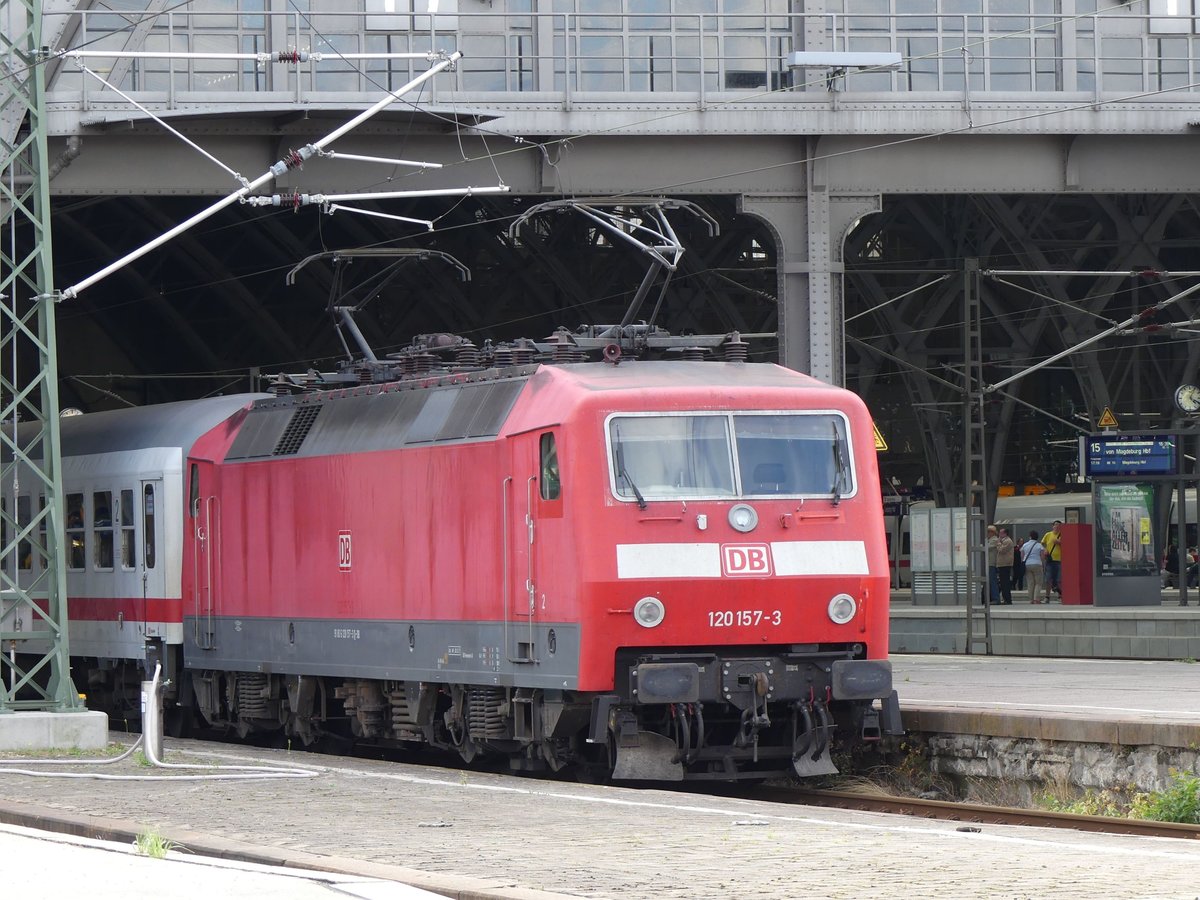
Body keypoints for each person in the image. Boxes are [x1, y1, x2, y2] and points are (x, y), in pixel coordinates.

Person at [1022, 529, 1048, 603]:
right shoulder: (1039, 545)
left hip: (1027, 564)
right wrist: (1043, 565)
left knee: (1030, 582)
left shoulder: (1025, 545)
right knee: (1038, 583)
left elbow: (1022, 556)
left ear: (1030, 537)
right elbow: (1042, 556)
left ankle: (1031, 599)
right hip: (1037, 564)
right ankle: (1036, 598)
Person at [1042, 520, 1063, 600]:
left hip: (1059, 559)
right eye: (1055, 525)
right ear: (1053, 526)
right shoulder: (1048, 534)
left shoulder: (1062, 534)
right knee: (1048, 578)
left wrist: (1059, 542)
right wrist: (1045, 549)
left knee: (1059, 579)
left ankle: (1060, 595)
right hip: (1050, 559)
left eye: (1059, 525)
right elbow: (1043, 543)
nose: (1057, 526)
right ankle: (1047, 596)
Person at [996, 526, 1015, 604]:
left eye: (1001, 533)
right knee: (1003, 582)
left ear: (1005, 533)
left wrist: (998, 543)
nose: (999, 534)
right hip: (1002, 564)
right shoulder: (1003, 541)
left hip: (1005, 564)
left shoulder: (1008, 541)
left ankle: (1007, 599)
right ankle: (1005, 598)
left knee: (1005, 582)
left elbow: (1001, 550)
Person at [985, 524, 1000, 604]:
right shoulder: (989, 539)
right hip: (989, 563)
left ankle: (996, 598)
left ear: (992, 532)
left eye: (988, 532)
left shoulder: (994, 540)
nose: (987, 533)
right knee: (991, 581)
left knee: (993, 581)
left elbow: (987, 547)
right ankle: (992, 597)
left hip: (992, 563)